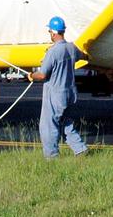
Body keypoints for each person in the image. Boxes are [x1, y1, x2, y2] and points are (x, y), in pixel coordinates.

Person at [27, 16, 88, 158]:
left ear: (53, 33)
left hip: (55, 94)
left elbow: (42, 75)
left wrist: (31, 75)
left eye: (49, 31)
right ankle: (80, 148)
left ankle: (52, 157)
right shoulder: (72, 48)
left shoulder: (52, 52)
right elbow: (84, 56)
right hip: (70, 93)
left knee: (48, 126)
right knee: (66, 123)